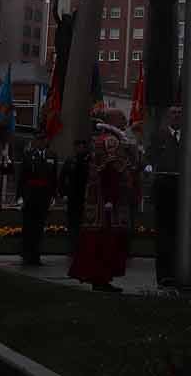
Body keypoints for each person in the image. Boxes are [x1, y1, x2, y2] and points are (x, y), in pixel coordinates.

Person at [69, 121, 139, 292]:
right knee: (105, 243)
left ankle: (99, 279)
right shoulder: (111, 142)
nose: (124, 124)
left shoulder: (99, 140)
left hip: (96, 202)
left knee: (96, 242)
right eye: (121, 120)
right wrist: (112, 198)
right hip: (107, 205)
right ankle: (101, 279)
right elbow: (113, 170)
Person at [145, 108, 181, 287]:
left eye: (180, 113)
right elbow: (149, 156)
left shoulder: (188, 136)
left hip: (181, 189)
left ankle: (177, 271)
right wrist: (150, 167)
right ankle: (164, 274)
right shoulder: (159, 136)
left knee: (178, 233)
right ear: (167, 117)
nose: (177, 116)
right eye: (173, 113)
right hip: (164, 187)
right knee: (164, 233)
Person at [16, 134, 59, 267]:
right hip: (30, 195)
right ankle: (26, 254)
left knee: (39, 227)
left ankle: (36, 255)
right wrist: (20, 196)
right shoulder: (28, 155)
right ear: (35, 141)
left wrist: (53, 195)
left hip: (44, 196)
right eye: (38, 140)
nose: (41, 142)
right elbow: (22, 177)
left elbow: (53, 178)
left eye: (43, 139)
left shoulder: (51, 155)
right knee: (28, 226)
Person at [60, 138, 91, 256]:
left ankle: (83, 249)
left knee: (84, 224)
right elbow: (62, 178)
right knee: (72, 224)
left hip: (85, 197)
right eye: (78, 146)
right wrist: (63, 193)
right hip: (72, 197)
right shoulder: (70, 161)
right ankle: (72, 249)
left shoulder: (89, 161)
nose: (80, 149)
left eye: (82, 146)